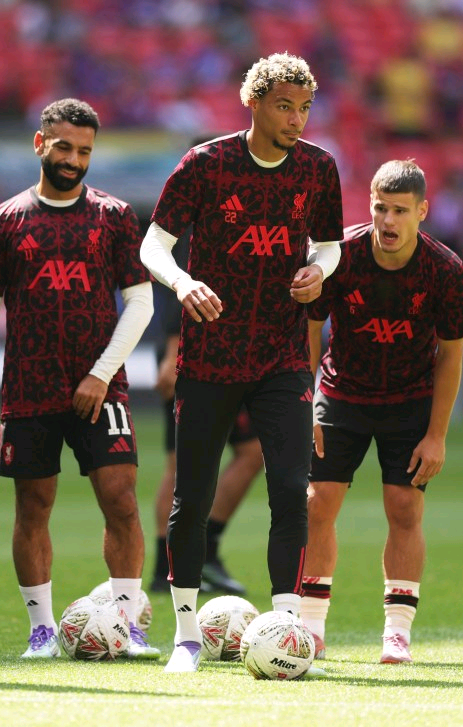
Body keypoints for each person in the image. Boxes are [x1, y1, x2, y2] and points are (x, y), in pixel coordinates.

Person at [139, 53, 344, 674]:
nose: (296, 119)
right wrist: (182, 283)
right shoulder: (206, 164)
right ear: (253, 102)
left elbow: (330, 246)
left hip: (282, 355)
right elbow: (153, 246)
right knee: (192, 497)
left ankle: (288, 630)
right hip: (211, 354)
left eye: (304, 108)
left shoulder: (318, 168)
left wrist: (318, 270)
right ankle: (186, 637)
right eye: (284, 106)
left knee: (290, 491)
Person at [0, 98, 158, 660]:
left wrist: (100, 373)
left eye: (84, 151)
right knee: (33, 506)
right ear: (40, 144)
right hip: (29, 385)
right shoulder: (2, 222)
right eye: (65, 147)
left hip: (101, 387)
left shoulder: (115, 216)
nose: (74, 159)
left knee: (121, 501)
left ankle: (129, 625)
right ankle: (42, 632)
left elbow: (141, 303)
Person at [300, 159, 463, 665]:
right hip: (341, 392)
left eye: (400, 210)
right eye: (380, 208)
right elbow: (309, 330)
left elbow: (451, 354)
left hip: (409, 400)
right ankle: (310, 628)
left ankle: (397, 632)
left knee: (404, 508)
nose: (388, 220)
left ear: (422, 211)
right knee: (317, 503)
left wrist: (436, 435)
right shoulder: (338, 257)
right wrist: (304, 404)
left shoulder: (445, 269)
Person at [149, 224, 262, 596]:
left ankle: (206, 551)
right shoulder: (202, 208)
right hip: (192, 347)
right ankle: (166, 567)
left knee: (253, 451)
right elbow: (179, 278)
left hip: (238, 349)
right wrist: (172, 350)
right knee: (180, 462)